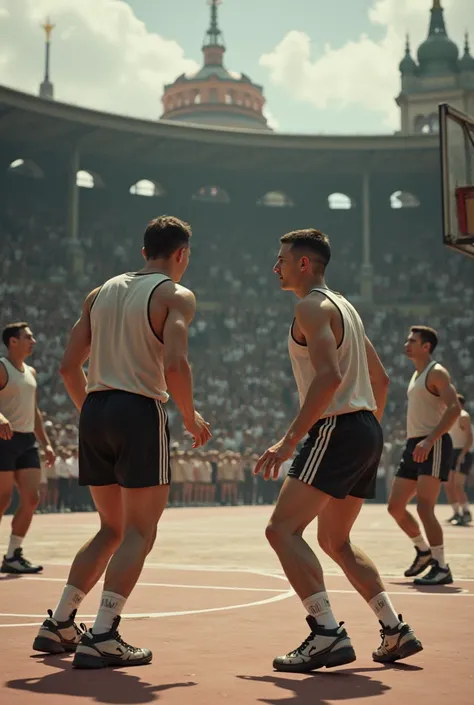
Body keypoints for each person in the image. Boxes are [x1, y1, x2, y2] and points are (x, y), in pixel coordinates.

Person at [32, 216, 211, 669]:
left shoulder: (100, 292)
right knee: (139, 531)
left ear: (143, 250)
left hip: (95, 408)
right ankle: (105, 632)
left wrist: (93, 415)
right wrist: (189, 417)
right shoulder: (175, 295)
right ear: (181, 254)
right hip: (138, 410)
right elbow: (175, 364)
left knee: (110, 529)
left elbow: (68, 367)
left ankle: (60, 621)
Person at [254, 229, 422, 673]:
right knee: (335, 540)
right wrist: (366, 430)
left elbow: (327, 378)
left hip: (340, 427)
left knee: (281, 530)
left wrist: (289, 441)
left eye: (282, 260)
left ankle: (326, 632)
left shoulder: (310, 306)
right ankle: (394, 629)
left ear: (304, 264)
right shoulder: (346, 307)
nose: (276, 267)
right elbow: (381, 380)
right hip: (365, 426)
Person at [387, 326, 460, 585]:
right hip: (414, 444)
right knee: (395, 507)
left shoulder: (436, 372)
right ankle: (423, 551)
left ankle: (441, 567)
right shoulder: (416, 374)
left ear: (426, 346)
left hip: (434, 443)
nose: (406, 343)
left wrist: (430, 440)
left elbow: (455, 408)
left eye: (412, 340)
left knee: (424, 507)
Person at [0, 322, 55, 574]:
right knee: (2, 500)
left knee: (32, 499)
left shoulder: (31, 372)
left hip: (27, 441)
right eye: (27, 337)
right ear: (13, 341)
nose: (33, 340)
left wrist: (46, 443)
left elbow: (35, 411)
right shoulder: (2, 367)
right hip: (4, 439)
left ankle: (13, 555)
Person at [446, 394, 473, 526]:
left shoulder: (463, 416)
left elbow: (469, 438)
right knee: (448, 485)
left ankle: (466, 513)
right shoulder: (449, 416)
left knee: (458, 485)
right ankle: (456, 512)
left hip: (462, 451)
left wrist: (462, 455)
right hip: (451, 451)